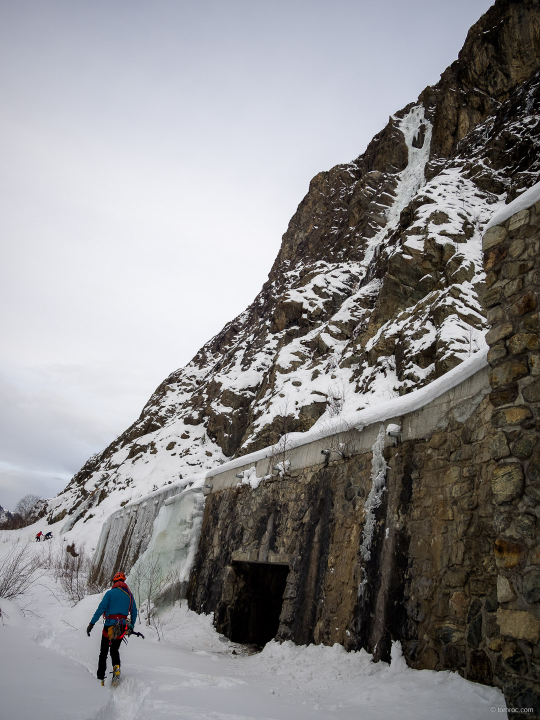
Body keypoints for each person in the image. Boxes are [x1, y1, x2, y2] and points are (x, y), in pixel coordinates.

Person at [86, 571, 137, 686]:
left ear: (114, 582)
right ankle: (116, 668)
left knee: (103, 652)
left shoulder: (109, 593)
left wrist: (91, 624)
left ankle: (100, 678)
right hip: (122, 626)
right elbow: (134, 611)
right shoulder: (129, 595)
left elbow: (100, 609)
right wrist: (132, 626)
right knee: (114, 650)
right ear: (124, 582)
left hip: (109, 625)